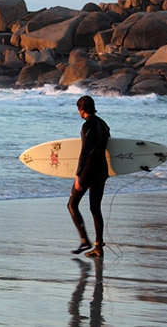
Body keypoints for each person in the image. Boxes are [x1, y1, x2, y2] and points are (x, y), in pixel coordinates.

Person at [67, 95, 110, 257]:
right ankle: (98, 247)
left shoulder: (87, 126)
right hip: (102, 171)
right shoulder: (103, 124)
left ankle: (85, 240)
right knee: (95, 208)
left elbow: (85, 151)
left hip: (88, 171)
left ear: (81, 110)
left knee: (72, 204)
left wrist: (78, 175)